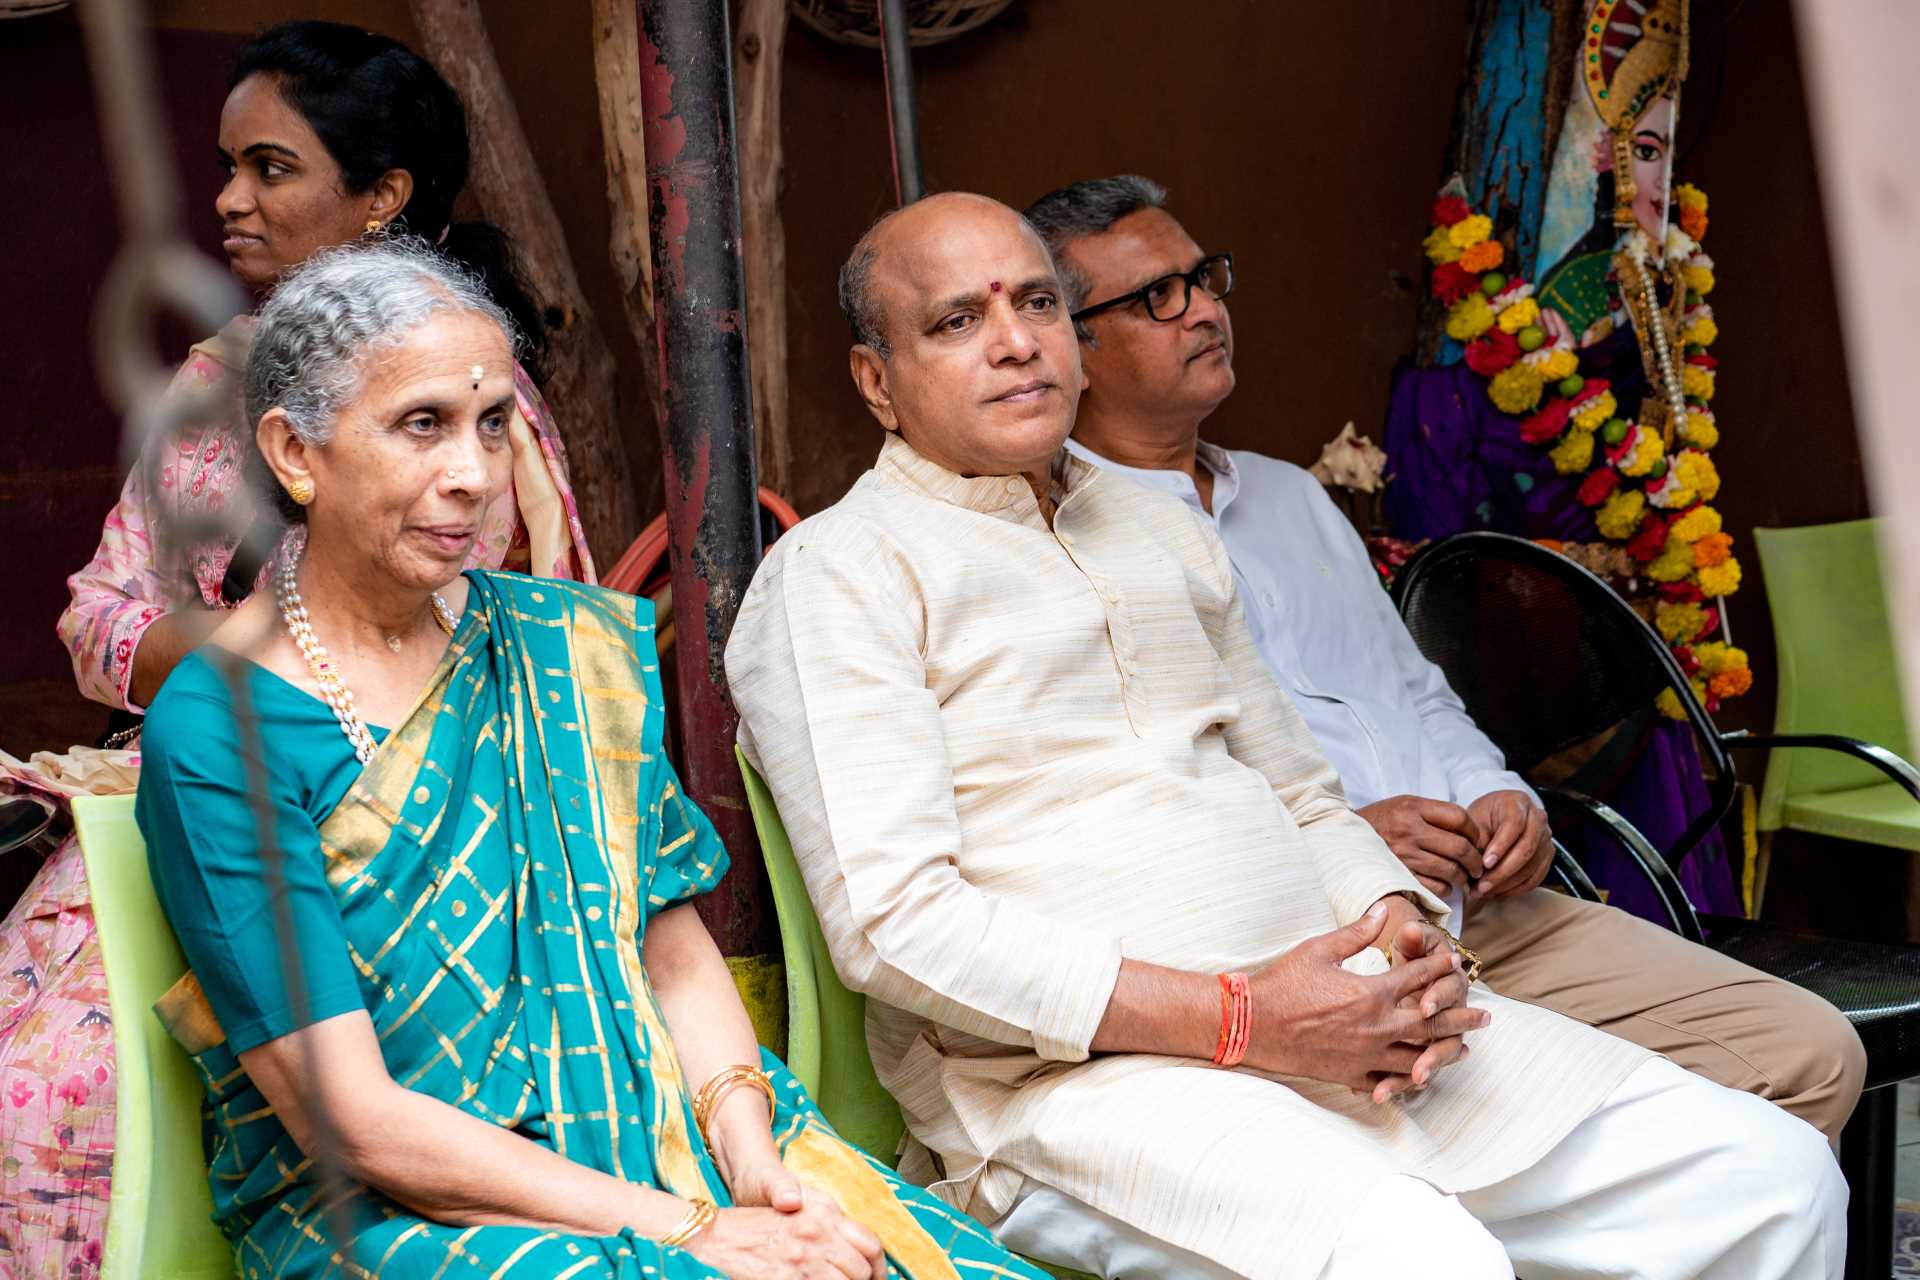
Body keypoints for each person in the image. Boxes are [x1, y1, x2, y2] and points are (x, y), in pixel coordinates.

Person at [723, 191, 1846, 1280]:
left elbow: (1304, 791)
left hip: (1348, 1025)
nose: (1016, 342)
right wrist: (1242, 1019)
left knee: (1771, 1174)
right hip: (1079, 1090)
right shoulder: (839, 574)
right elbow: (896, 924)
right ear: (877, 382)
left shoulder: (1154, 529)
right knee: (1426, 1259)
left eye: (1038, 303)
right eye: (958, 321)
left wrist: (1402, 933)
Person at [133, 241, 1043, 1280]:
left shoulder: (556, 647)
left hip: (669, 1147)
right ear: (295, 451)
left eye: (492, 424)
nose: (474, 475)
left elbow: (670, 948)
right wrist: (690, 1230)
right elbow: (353, 1118)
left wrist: (750, 1162)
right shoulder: (222, 729)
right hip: (401, 1216)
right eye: (422, 424)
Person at [1021, 173, 1865, 1146]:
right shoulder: (1061, 541)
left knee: (1812, 1055)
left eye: (1204, 278)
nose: (1206, 309)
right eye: (1159, 297)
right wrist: (1345, 837)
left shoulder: (1290, 498)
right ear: (1071, 347)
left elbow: (1415, 690)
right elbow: (1134, 808)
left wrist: (1501, 794)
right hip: (1326, 953)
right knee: (1636, 1146)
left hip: (1487, 909)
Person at [1, 24, 592, 1276]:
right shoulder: (215, 385)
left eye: (270, 167)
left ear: (382, 196)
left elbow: (540, 637)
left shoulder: (482, 401)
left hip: (442, 816)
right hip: (212, 787)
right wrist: (252, 655)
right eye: (228, 166)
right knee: (44, 1079)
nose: (228, 198)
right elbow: (99, 613)